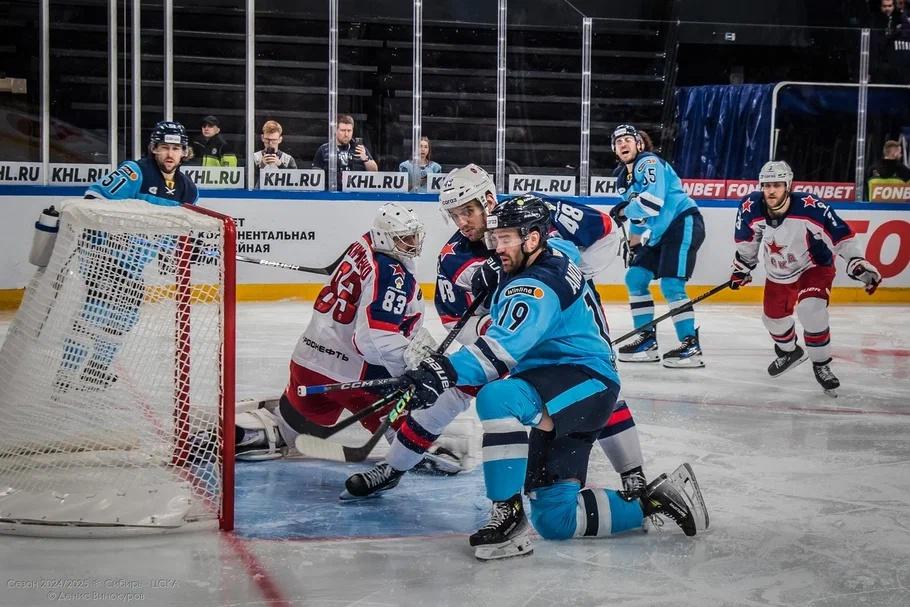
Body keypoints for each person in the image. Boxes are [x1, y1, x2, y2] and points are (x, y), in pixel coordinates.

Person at [390, 195, 708, 560]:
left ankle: (507, 515)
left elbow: (499, 353)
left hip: (584, 380)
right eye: (496, 238)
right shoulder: (553, 251)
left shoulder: (534, 285)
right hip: (556, 384)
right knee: (554, 520)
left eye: (507, 238)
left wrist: (442, 371)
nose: (497, 248)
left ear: (533, 238)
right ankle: (654, 502)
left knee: (497, 397)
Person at [344, 167, 647, 503]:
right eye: (454, 214)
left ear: (488, 199)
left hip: (564, 325)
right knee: (446, 396)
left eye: (467, 211)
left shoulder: (539, 213)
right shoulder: (454, 255)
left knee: (594, 387)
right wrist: (494, 329)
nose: (462, 222)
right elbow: (452, 316)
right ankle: (393, 468)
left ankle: (633, 475)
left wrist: (569, 283)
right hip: (502, 335)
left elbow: (604, 232)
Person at [235, 204, 452, 466]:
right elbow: (374, 338)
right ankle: (417, 444)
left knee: (290, 431)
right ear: (385, 237)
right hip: (356, 377)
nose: (411, 243)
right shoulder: (392, 275)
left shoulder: (364, 243)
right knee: (413, 432)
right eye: (403, 238)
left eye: (412, 236)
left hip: (309, 363)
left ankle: (246, 435)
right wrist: (411, 369)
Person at [54, 121, 199, 391]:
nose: (170, 154)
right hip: (101, 252)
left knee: (126, 317)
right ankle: (66, 372)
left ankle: (96, 369)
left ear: (184, 152)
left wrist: (194, 249)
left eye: (176, 148)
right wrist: (111, 225)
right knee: (95, 311)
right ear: (154, 149)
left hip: (132, 265)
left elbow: (174, 231)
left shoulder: (187, 189)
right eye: (164, 147)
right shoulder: (135, 172)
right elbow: (92, 199)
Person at [729, 160, 882, 396]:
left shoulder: (809, 206)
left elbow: (840, 234)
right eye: (767, 185)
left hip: (814, 266)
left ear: (789, 185)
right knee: (772, 320)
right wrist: (742, 267)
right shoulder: (750, 206)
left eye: (777, 185)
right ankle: (791, 351)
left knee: (810, 310)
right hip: (778, 271)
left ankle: (822, 365)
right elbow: (748, 241)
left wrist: (856, 261)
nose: (771, 190)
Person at [609, 124, 706, 368]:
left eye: (628, 139)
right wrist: (633, 245)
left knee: (672, 285)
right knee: (635, 278)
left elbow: (651, 203)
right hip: (660, 232)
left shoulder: (648, 162)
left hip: (682, 222)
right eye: (618, 141)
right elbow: (640, 218)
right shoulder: (623, 179)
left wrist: (623, 210)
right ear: (614, 149)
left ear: (639, 144)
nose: (623, 144)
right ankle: (646, 339)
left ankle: (690, 344)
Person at [313, 114, 378, 190]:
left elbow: (374, 171)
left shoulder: (359, 148)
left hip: (355, 194)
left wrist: (365, 159)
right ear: (335, 130)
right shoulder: (324, 149)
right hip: (331, 194)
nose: (346, 134)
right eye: (343, 130)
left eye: (349, 131)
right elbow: (315, 177)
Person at [253, 120, 297, 186]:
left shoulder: (288, 159)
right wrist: (261, 166)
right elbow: (247, 182)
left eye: (274, 140)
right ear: (262, 138)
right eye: (267, 139)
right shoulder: (254, 157)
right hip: (259, 195)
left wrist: (280, 165)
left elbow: (295, 182)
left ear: (280, 139)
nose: (270, 143)